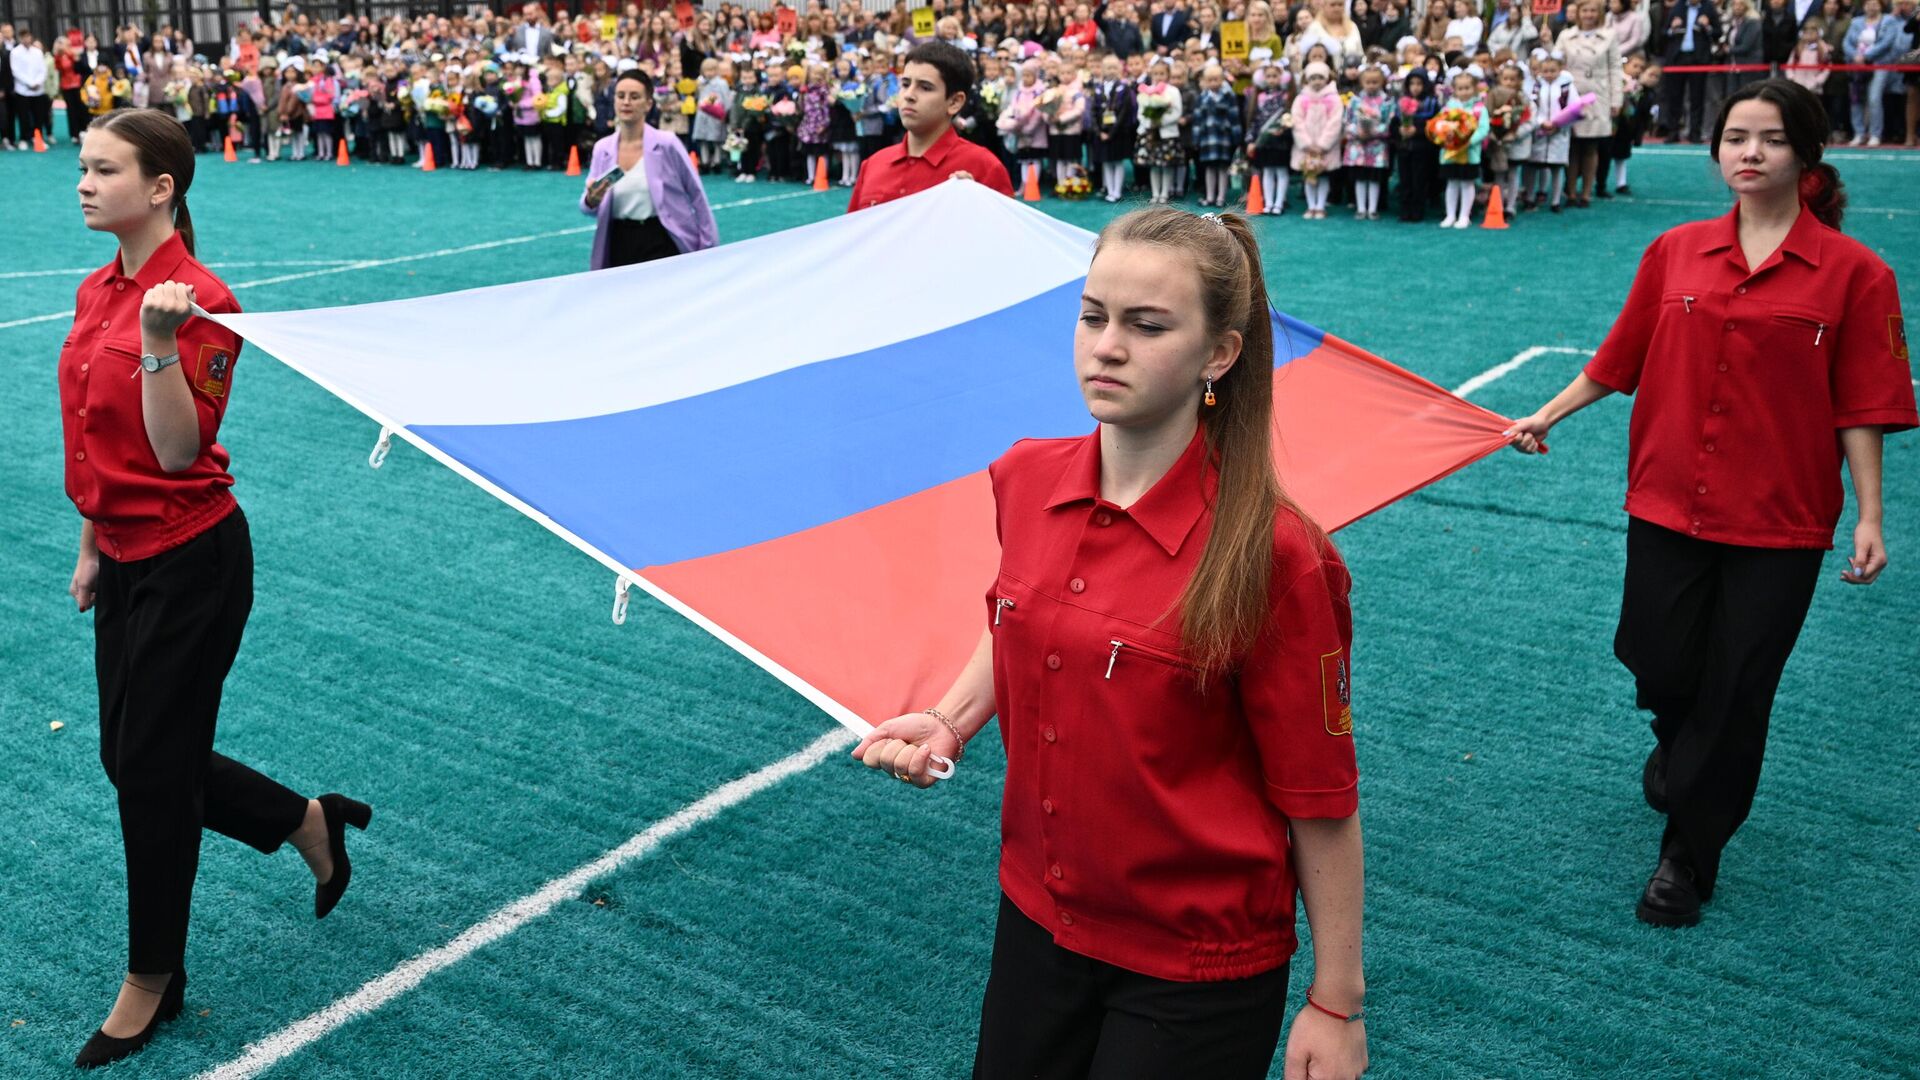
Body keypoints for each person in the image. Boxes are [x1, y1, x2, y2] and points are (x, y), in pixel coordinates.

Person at [852, 206, 1368, 1080]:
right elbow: (1023, 611)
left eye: (1146, 325)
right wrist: (953, 719)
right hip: (1036, 916)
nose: (1106, 346)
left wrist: (1335, 1002)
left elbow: (1320, 797)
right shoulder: (1025, 475)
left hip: (1195, 967)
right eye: (1093, 315)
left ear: (1220, 355)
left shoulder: (1277, 556)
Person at [1503, 80, 1915, 928]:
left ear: (1806, 154)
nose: (1749, 152)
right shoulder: (1676, 251)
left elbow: (1864, 404)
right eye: (1734, 137)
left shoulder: (1856, 274)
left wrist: (1871, 515)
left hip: (1781, 517)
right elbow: (1620, 356)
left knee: (1737, 691)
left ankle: (1686, 859)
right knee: (1657, 661)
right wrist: (1546, 413)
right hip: (1667, 501)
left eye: (1769, 138)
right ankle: (1680, 750)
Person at [63, 109, 373, 1069]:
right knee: (134, 757)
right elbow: (91, 432)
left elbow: (175, 450)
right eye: (82, 166)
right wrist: (87, 544)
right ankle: (305, 821)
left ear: (160, 188)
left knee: (151, 768)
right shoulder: (91, 289)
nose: (82, 182)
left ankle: (153, 976)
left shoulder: (196, 299)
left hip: (192, 560)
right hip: (119, 553)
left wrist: (161, 345)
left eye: (103, 169)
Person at [849, 41, 1012, 211]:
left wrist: (977, 208)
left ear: (955, 102)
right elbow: (855, 234)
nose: (909, 95)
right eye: (905, 84)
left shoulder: (984, 168)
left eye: (925, 87)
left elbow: (1007, 234)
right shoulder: (873, 165)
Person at [580, 71, 717, 268]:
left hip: (662, 240)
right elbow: (588, 205)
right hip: (618, 242)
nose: (626, 102)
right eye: (620, 96)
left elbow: (697, 196)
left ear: (648, 104)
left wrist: (708, 247)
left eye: (634, 97)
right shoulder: (603, 148)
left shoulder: (667, 143)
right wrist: (591, 199)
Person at [1559, 0, 1622, 207]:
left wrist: (1616, 99)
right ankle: (1570, 192)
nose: (1588, 14)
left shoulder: (1609, 36)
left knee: (1591, 146)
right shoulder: (1566, 36)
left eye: (1593, 10)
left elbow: (1615, 68)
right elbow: (1556, 63)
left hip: (1598, 96)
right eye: (1584, 10)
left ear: (1599, 13)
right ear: (1578, 13)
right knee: (1572, 146)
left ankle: (1586, 193)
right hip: (1572, 96)